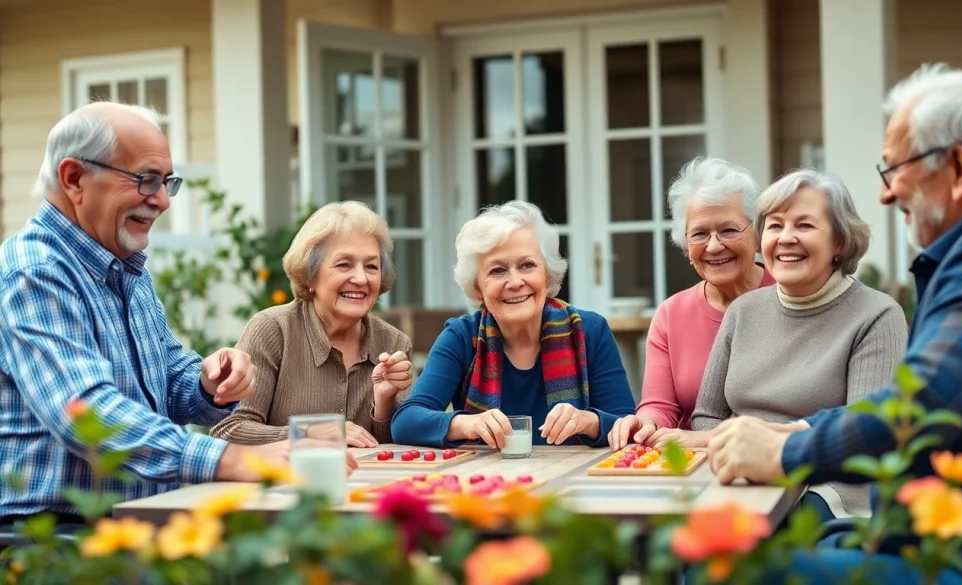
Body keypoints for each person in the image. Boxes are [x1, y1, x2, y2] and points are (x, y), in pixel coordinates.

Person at [707, 64, 962, 583]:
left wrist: (787, 449)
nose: (886, 193)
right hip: (931, 542)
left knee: (722, 570)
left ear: (960, 168)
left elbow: (919, 406)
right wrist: (793, 434)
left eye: (896, 169)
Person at [0, 102, 355, 527]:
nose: (163, 201)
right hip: (57, 533)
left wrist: (208, 383)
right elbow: (87, 414)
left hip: (135, 518)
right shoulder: (35, 271)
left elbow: (167, 379)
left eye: (167, 182)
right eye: (146, 180)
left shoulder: (124, 266)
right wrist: (233, 458)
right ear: (74, 178)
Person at [666, 169, 908, 521]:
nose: (786, 238)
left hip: (826, 489)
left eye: (805, 226)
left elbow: (863, 432)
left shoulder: (877, 315)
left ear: (839, 241)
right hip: (742, 481)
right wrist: (742, 456)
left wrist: (768, 447)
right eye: (775, 226)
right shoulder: (744, 311)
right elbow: (707, 416)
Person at [390, 201, 636, 448]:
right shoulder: (461, 336)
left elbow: (627, 424)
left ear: (547, 274)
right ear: (478, 288)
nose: (515, 281)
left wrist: (588, 421)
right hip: (486, 481)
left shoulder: (590, 331)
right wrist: (468, 424)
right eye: (497, 271)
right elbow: (405, 422)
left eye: (527, 265)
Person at [210, 202, 414, 447]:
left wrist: (384, 402)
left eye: (371, 266)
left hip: (365, 484)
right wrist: (308, 433)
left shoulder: (394, 343)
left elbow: (394, 450)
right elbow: (229, 430)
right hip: (284, 483)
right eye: (344, 264)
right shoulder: (272, 330)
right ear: (310, 275)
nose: (361, 278)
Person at [607, 157, 775, 451]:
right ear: (685, 245)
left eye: (729, 230)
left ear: (757, 233)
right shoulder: (672, 314)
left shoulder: (790, 296)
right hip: (694, 467)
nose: (713, 246)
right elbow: (660, 407)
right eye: (699, 233)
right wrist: (645, 422)